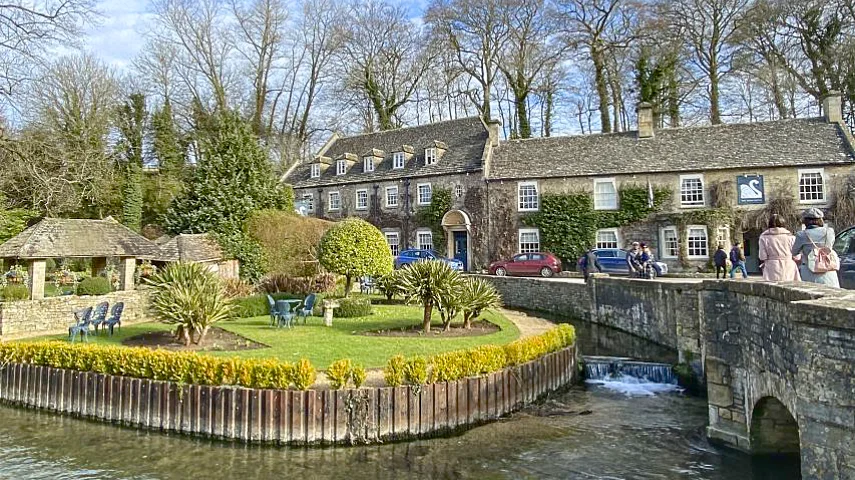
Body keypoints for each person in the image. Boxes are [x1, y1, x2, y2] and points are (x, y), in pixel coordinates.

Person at [792, 208, 839, 287]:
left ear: (806, 221)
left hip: (809, 270)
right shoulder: (829, 231)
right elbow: (830, 246)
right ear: (820, 219)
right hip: (828, 268)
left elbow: (794, 252)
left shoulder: (801, 235)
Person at [758, 214, 800, 282]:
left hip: (771, 266)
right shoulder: (791, 237)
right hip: (788, 265)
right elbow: (797, 256)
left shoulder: (763, 237)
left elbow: (762, 256)